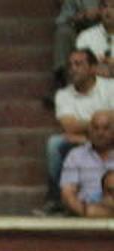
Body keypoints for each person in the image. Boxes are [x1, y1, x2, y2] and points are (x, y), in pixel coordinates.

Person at [49, 49, 114, 206]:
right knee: (54, 144)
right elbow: (69, 126)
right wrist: (101, 123)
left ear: (93, 68)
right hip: (82, 142)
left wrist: (88, 130)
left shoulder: (110, 87)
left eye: (78, 64)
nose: (73, 69)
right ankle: (57, 199)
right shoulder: (63, 95)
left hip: (109, 139)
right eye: (70, 65)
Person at [60, 108, 114, 217]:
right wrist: (85, 212)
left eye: (106, 128)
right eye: (95, 128)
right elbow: (67, 193)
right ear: (89, 130)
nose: (100, 133)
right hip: (86, 213)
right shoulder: (76, 156)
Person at [57, 1, 104, 81]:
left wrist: (100, 12)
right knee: (63, 32)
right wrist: (82, 16)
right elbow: (62, 20)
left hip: (105, 28)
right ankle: (64, 75)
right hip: (82, 28)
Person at [76, 0, 113, 76]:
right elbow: (79, 68)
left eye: (113, 7)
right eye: (105, 6)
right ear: (99, 10)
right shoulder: (85, 37)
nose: (108, 11)